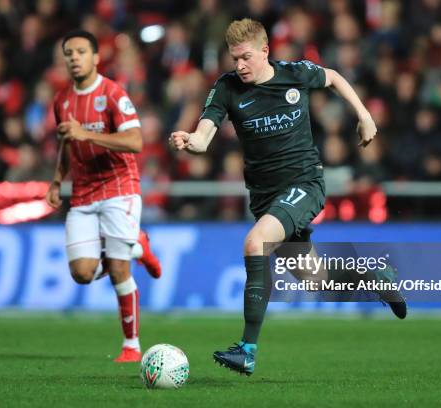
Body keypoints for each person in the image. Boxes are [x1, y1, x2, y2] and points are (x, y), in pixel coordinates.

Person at [170, 19, 406, 376]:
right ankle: (375, 278)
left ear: (265, 50)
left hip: (304, 184)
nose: (240, 66)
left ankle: (247, 349)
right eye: (235, 59)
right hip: (265, 197)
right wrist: (190, 141)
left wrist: (365, 116)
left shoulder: (295, 74)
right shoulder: (227, 88)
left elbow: (335, 78)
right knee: (315, 278)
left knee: (255, 242)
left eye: (246, 57)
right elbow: (205, 137)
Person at [46, 29, 161, 363]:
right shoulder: (62, 100)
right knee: (82, 273)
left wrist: (88, 134)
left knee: (119, 269)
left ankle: (131, 346)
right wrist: (56, 181)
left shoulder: (112, 94)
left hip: (119, 186)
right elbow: (68, 143)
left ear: (96, 57)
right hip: (82, 193)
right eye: (69, 53)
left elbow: (136, 142)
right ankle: (137, 243)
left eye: (81, 51)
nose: (74, 58)